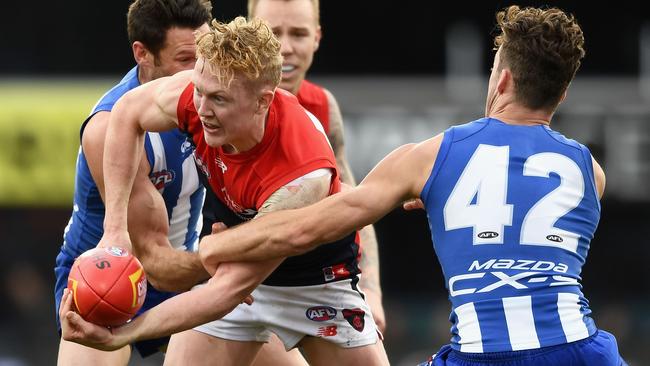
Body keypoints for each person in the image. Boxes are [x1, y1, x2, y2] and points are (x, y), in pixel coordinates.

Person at [189, 6, 627, 365]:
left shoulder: (433, 156)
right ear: (562, 94)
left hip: (481, 356)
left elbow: (306, 228)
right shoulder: (590, 171)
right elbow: (520, 210)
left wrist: (217, 248)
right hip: (583, 351)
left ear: (503, 79)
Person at [60, 16, 389, 366]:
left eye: (218, 99)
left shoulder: (302, 175)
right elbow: (126, 113)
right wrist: (115, 230)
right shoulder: (198, 94)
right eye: (199, 91)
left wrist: (124, 333)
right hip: (238, 275)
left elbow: (228, 289)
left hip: (315, 283)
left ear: (263, 101)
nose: (201, 109)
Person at [53, 1, 212, 364]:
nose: (201, 72)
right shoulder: (108, 128)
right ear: (143, 54)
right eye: (186, 59)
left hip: (185, 267)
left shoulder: (216, 99)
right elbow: (153, 258)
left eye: (207, 53)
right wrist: (229, 259)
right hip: (106, 276)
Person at [246, 0, 386, 334]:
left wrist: (372, 288)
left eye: (298, 33)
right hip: (234, 291)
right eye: (272, 33)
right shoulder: (219, 103)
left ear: (317, 38)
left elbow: (352, 206)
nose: (285, 48)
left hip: (309, 290)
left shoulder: (323, 107)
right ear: (250, 32)